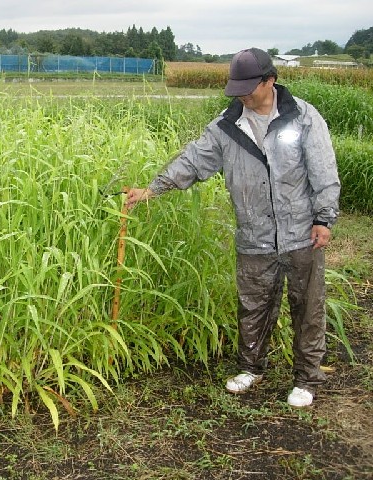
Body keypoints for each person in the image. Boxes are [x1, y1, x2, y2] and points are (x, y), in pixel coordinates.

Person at [125, 47, 340, 408]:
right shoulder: (226, 126)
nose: (241, 94)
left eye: (248, 87)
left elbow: (323, 169)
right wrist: (152, 189)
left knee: (307, 307)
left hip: (302, 233)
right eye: (236, 87)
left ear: (269, 81)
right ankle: (251, 368)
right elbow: (193, 161)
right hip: (253, 234)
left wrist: (324, 218)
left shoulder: (301, 117)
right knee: (253, 305)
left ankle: (306, 379)